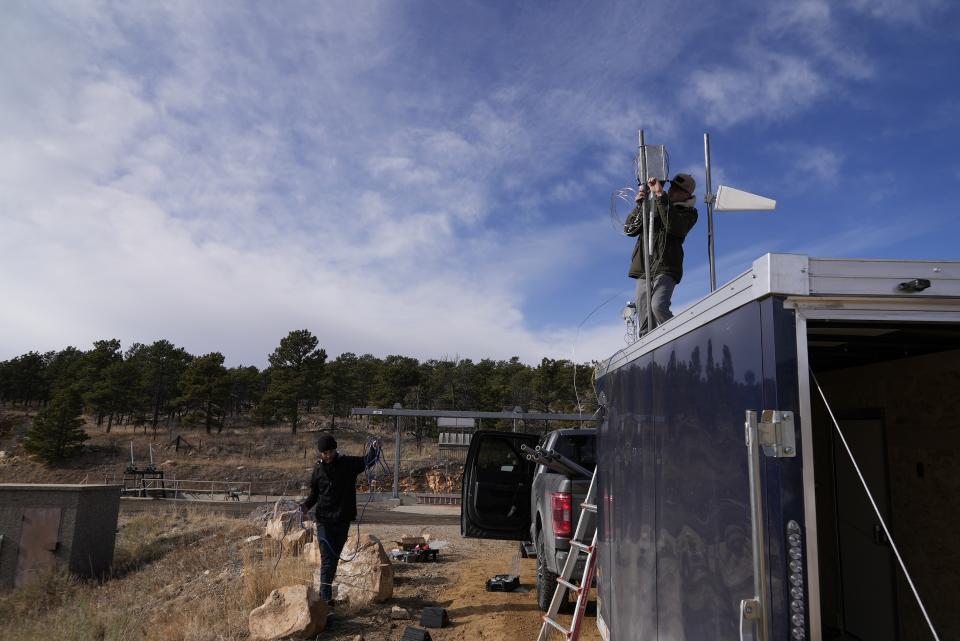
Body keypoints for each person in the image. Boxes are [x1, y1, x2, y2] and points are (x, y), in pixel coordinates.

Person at [300, 432, 381, 605]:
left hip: (342, 519)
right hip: (323, 521)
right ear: (320, 453)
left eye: (330, 452)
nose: (328, 456)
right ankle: (324, 600)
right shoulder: (317, 469)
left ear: (335, 450)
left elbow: (368, 461)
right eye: (324, 453)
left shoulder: (347, 464)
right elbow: (314, 494)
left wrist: (375, 448)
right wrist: (305, 507)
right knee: (327, 559)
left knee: (334, 558)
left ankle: (326, 595)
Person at [624, 173, 699, 333]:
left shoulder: (689, 212)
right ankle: (648, 353)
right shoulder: (653, 204)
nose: (672, 191)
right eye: (672, 187)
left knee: (658, 306)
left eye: (678, 189)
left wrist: (660, 195)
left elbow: (675, 227)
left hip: (666, 267)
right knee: (644, 317)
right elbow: (629, 230)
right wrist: (639, 207)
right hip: (644, 267)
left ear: (688, 194)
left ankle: (679, 336)